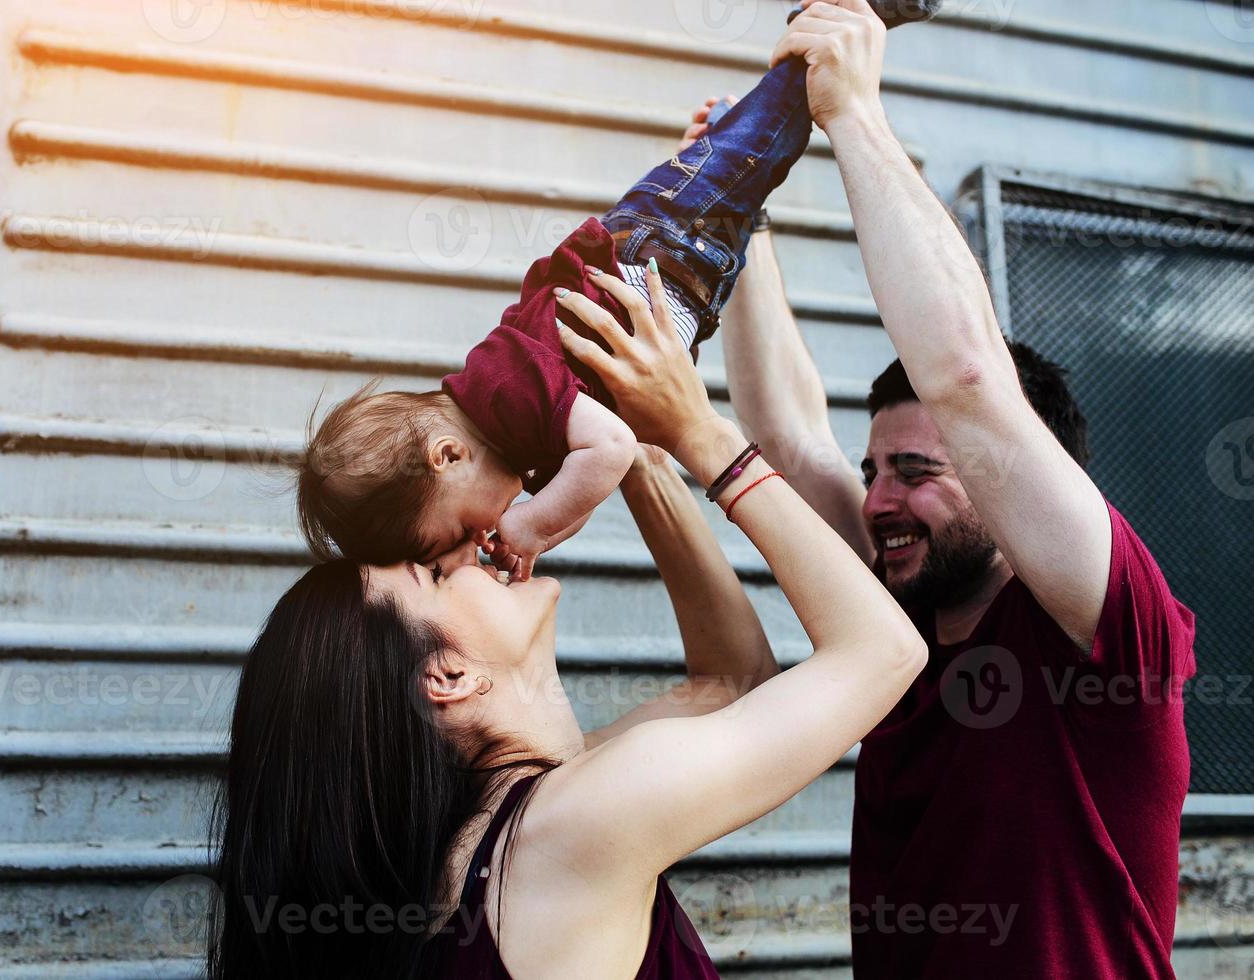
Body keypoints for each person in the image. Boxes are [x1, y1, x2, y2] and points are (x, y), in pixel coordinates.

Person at [208, 265, 927, 978]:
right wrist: (703, 434)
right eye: (434, 572)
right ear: (448, 676)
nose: (471, 552)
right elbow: (885, 651)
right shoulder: (572, 826)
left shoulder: (480, 852)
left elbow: (732, 684)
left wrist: (637, 452)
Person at [681, 1, 1198, 975]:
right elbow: (789, 438)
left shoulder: (1108, 633)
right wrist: (738, 208)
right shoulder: (902, 624)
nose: (880, 499)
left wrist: (857, 114)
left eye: (919, 473)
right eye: (877, 467)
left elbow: (967, 380)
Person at [294, 1, 939, 582]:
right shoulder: (512, 428)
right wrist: (538, 533)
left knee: (773, 135)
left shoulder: (506, 399)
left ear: (446, 454)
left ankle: (844, 17)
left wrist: (534, 525)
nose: (483, 533)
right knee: (759, 156)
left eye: (462, 530)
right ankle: (764, 88)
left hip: (660, 246)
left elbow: (614, 450)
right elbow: (595, 471)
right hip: (684, 271)